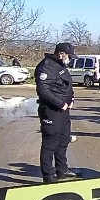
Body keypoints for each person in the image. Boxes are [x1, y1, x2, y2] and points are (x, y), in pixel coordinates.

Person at [35, 42, 78, 184]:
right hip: (51, 110)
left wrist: (71, 99)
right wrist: (60, 103)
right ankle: (48, 175)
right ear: (61, 54)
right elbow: (43, 90)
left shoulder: (60, 66)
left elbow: (67, 87)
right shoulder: (46, 67)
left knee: (63, 140)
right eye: (69, 56)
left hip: (63, 111)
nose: (70, 59)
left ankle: (62, 170)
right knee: (50, 143)